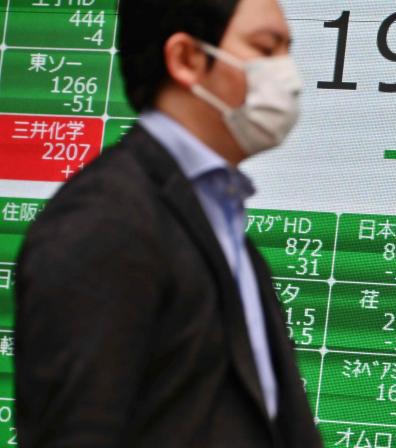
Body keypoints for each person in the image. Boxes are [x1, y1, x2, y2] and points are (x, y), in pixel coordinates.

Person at [14, 0, 322, 446]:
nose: (288, 76)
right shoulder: (106, 221)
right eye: (266, 48)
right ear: (186, 59)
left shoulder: (220, 223)